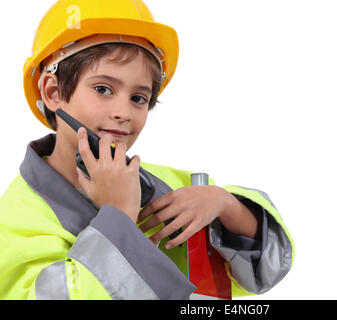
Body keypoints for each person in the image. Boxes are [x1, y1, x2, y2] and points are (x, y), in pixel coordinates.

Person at [0, 0, 294, 300]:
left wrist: (226, 205)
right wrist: (118, 217)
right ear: (53, 92)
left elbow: (266, 270)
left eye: (138, 98)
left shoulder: (166, 187)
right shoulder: (15, 222)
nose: (123, 112)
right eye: (103, 89)